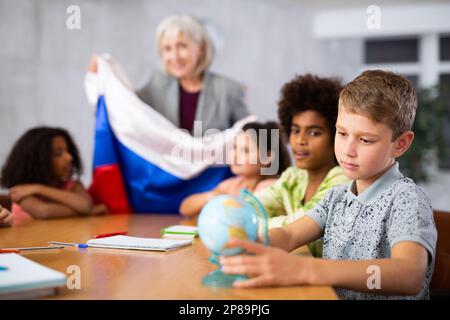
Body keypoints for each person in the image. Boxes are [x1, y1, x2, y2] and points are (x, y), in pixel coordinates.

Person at [220, 70, 438, 300]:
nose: (348, 150)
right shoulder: (337, 197)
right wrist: (251, 243)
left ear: (401, 144)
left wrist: (309, 270)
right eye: (342, 133)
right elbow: (288, 234)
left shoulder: (406, 199)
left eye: (365, 140)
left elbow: (409, 275)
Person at [89, 14, 250, 134]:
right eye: (167, 49)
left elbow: (255, 139)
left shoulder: (230, 90)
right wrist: (101, 81)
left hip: (218, 178)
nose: (174, 57)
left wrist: (263, 175)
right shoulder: (157, 84)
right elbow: (125, 111)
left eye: (182, 46)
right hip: (168, 179)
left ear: (200, 48)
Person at [255, 74, 349, 257]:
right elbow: (252, 204)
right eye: (295, 130)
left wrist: (245, 223)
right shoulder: (294, 177)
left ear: (336, 136)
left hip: (331, 282)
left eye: (314, 133)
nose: (300, 140)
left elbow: (296, 225)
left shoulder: (342, 179)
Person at [179, 121, 291, 217]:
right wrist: (211, 196)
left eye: (245, 150)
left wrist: (221, 200)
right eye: (235, 148)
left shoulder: (271, 186)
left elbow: (246, 214)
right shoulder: (233, 184)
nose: (235, 155)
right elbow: (185, 208)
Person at [0, 127, 107, 220]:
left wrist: (38, 188)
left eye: (68, 151)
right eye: (58, 153)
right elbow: (44, 211)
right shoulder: (22, 191)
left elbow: (85, 205)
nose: (69, 157)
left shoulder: (73, 185)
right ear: (38, 161)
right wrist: (85, 212)